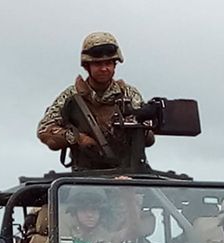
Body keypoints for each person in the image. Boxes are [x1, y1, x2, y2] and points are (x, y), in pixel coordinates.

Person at [36, 32, 154, 170]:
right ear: (87, 67)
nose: (104, 69)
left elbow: (148, 133)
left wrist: (143, 129)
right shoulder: (71, 96)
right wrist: (78, 138)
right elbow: (45, 130)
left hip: (129, 174)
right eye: (98, 64)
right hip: (87, 178)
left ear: (115, 65)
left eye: (108, 63)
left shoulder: (128, 94)